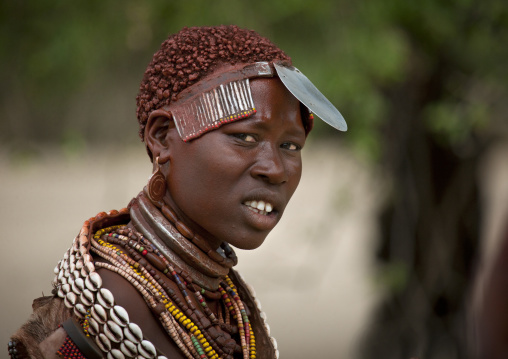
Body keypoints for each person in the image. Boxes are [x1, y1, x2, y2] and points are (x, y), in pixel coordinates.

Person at [8, 25, 346, 359]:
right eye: (245, 137)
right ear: (162, 136)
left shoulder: (230, 307)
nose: (274, 169)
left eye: (290, 145)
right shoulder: (105, 308)